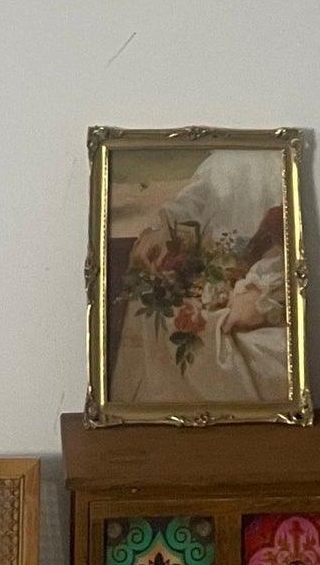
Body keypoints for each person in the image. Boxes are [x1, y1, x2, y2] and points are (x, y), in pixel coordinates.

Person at [109, 150, 288, 405]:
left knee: (225, 340)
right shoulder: (225, 161)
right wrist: (163, 231)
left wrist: (263, 293)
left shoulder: (289, 163)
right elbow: (191, 204)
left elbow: (296, 247)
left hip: (272, 292)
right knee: (154, 305)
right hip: (224, 279)